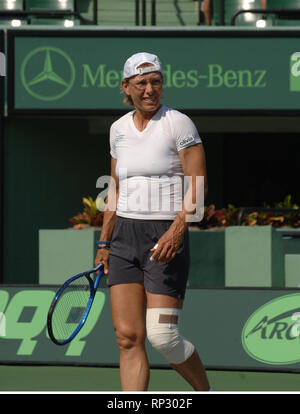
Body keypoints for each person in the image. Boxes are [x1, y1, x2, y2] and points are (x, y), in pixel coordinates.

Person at [94, 52, 210, 392]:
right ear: (126, 87)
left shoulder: (179, 123)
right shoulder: (118, 130)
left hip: (164, 234)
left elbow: (198, 184)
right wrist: (103, 244)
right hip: (123, 238)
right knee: (128, 337)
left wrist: (176, 231)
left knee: (163, 335)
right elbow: (114, 188)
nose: (149, 89)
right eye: (141, 83)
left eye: (156, 82)